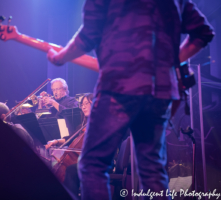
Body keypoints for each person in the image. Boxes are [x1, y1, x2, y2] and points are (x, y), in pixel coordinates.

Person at [46, 0, 214, 199]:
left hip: (119, 87)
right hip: (160, 91)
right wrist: (170, 62)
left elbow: (88, 36)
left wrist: (61, 57)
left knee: (93, 165)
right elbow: (204, 32)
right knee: (153, 170)